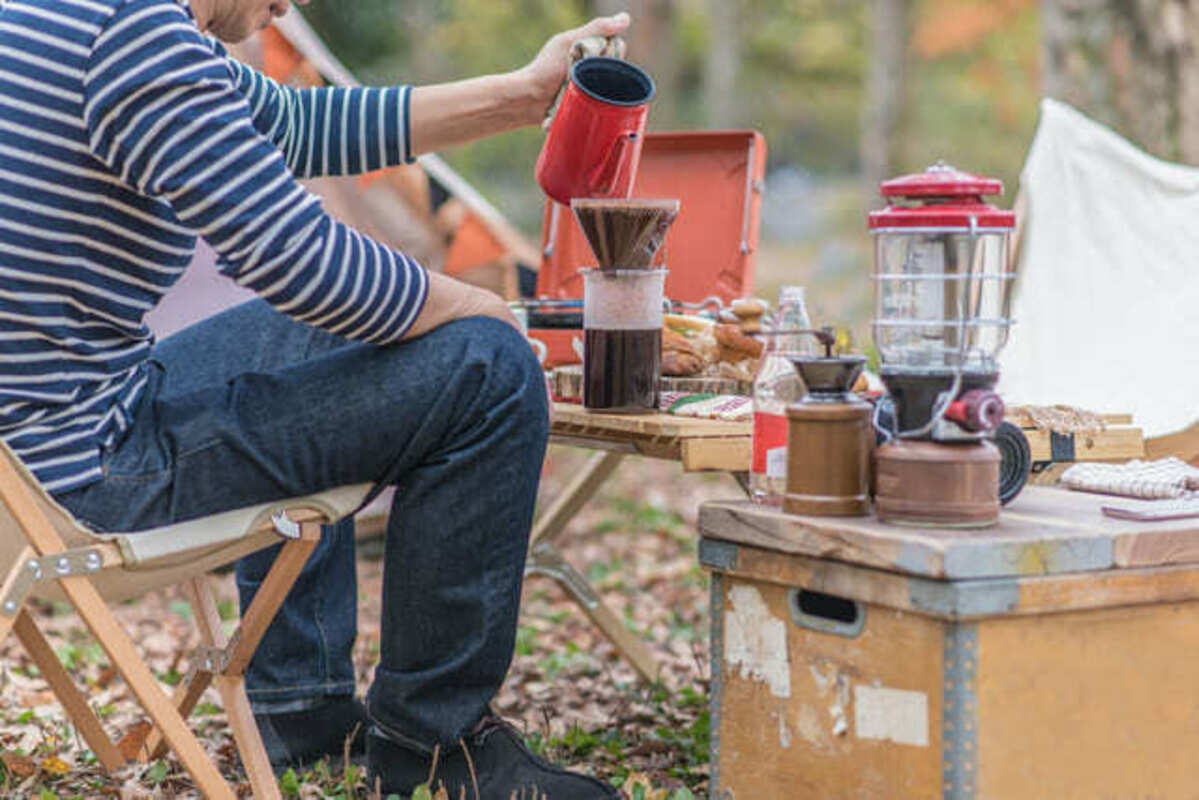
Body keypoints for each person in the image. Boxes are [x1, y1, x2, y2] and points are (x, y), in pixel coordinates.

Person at [0, 0, 631, 796]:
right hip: (80, 475)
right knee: (488, 367)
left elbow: (293, 125)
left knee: (321, 340)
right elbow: (301, 264)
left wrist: (522, 94)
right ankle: (435, 745)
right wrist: (488, 312)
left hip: (38, 439)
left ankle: (299, 707)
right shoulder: (131, 33)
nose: (287, 8)